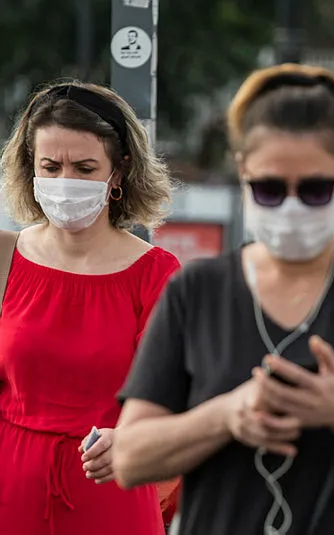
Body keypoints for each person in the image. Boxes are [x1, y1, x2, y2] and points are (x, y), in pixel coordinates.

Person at [111, 63, 334, 535]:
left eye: (314, 189)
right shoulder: (198, 292)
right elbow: (131, 457)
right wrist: (228, 414)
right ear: (243, 174)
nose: (292, 207)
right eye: (270, 189)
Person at [0, 81, 180, 535]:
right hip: (11, 491)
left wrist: (134, 440)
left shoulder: (155, 273)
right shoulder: (3, 257)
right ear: (30, 168)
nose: (66, 182)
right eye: (50, 166)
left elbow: (178, 402)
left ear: (119, 172)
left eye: (84, 168)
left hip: (112, 494)